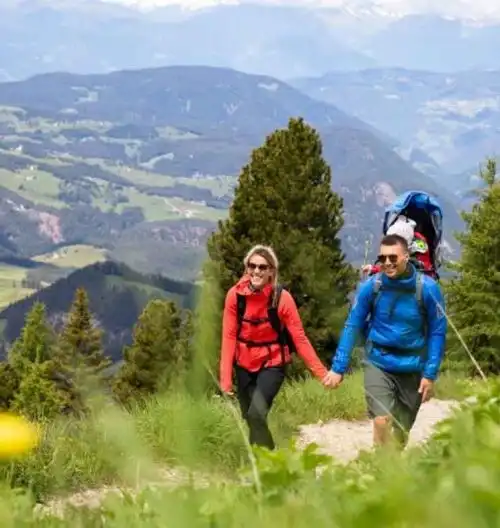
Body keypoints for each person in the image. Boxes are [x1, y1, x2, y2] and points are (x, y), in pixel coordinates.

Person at [325, 234, 447, 448]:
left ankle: (390, 473)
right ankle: (378, 470)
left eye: (393, 257)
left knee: (400, 434)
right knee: (382, 420)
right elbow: (352, 325)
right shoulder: (372, 287)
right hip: (378, 362)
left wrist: (430, 373)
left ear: (406, 256)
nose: (387, 262)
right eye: (383, 258)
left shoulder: (427, 288)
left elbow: (438, 331)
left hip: (413, 367)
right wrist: (338, 367)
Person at [219, 244, 331, 449]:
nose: (256, 271)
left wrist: (322, 374)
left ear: (272, 271)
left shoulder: (282, 299)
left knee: (256, 414)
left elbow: (300, 339)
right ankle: (266, 465)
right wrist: (225, 380)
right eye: (252, 266)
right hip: (243, 363)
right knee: (251, 418)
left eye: (263, 267)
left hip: (273, 363)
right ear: (246, 268)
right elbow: (228, 337)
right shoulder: (235, 296)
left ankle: (268, 465)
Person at [362, 216, 435, 278]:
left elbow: (422, 268)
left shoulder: (419, 245)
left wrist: (375, 270)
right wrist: (373, 269)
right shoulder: (411, 238)